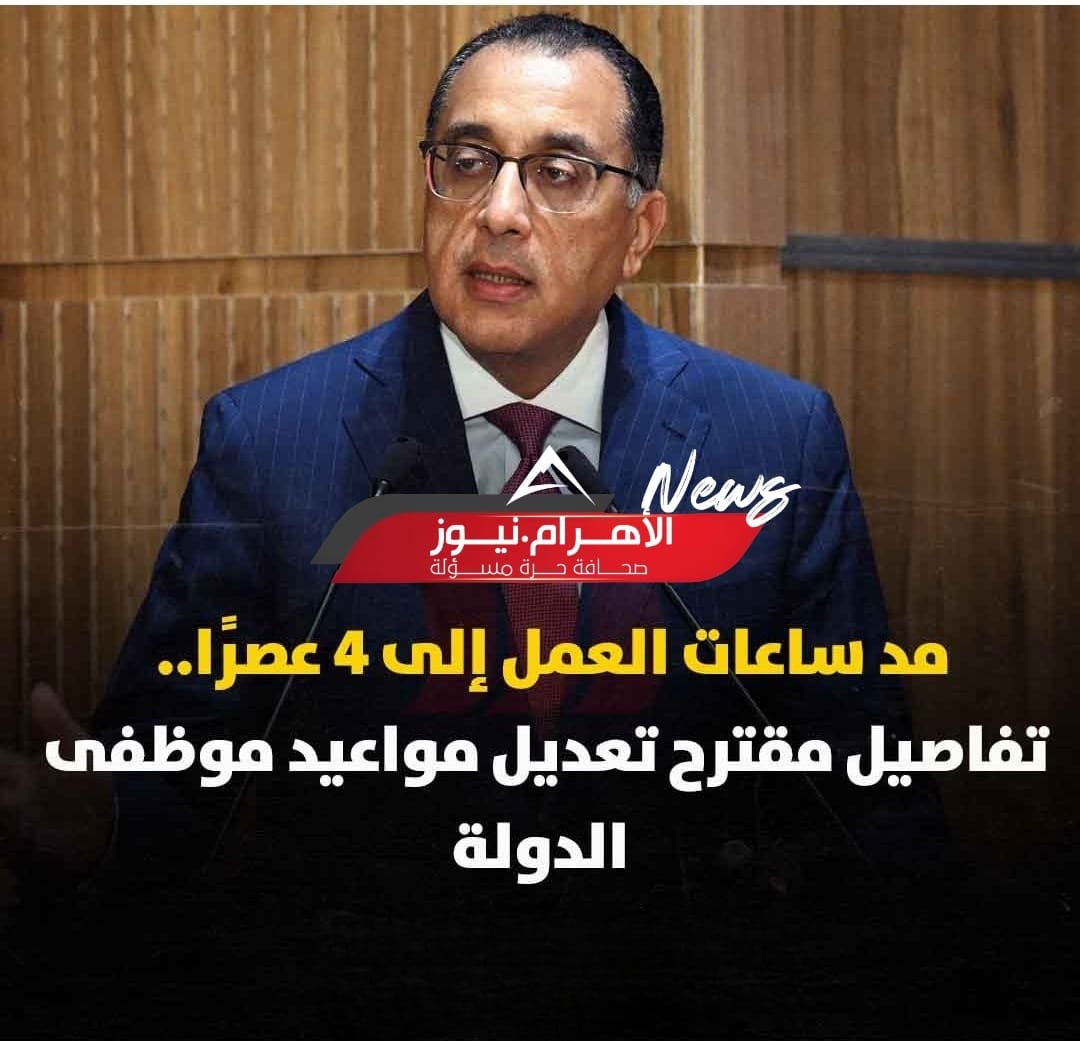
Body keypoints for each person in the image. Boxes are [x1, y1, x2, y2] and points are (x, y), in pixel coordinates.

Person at [2, 16, 943, 1031]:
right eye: (468, 161)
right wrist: (101, 826)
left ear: (639, 232)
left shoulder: (775, 440)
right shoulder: (269, 441)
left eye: (560, 174)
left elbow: (868, 791)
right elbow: (174, 778)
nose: (498, 212)